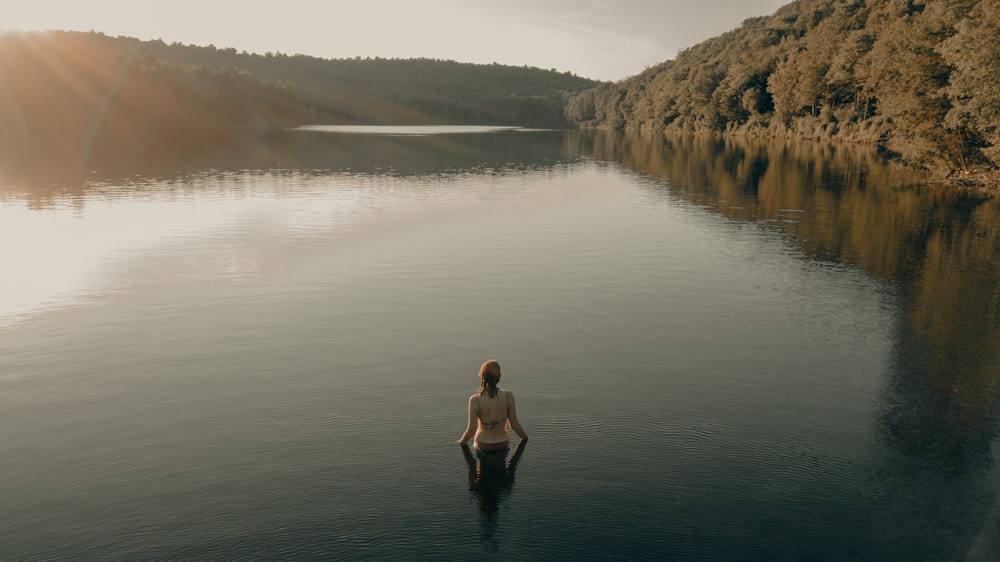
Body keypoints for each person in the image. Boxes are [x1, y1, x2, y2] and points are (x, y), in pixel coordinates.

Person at [458, 359, 528, 452]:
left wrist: (461, 443)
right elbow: (514, 425)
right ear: (499, 376)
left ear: (482, 376)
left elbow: (471, 431)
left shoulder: (475, 400)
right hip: (502, 443)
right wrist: (525, 439)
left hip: (482, 444)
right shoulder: (508, 396)